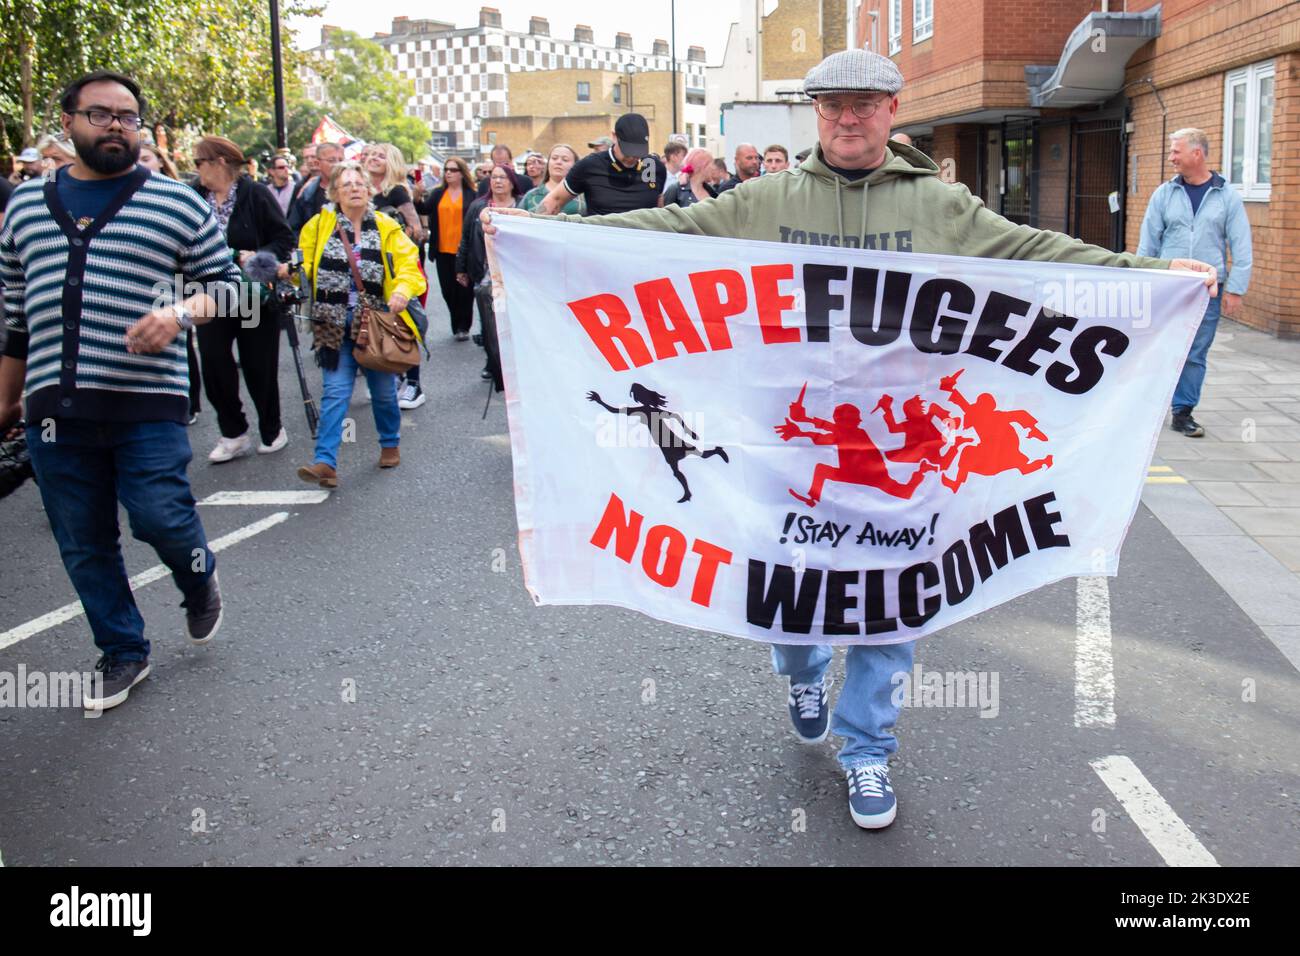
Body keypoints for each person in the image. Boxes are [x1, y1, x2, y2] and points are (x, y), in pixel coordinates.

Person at [485, 48, 1219, 832]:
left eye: (863, 103)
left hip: (900, 450)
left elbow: (1034, 254)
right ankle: (800, 671)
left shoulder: (941, 208)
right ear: (815, 112)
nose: (847, 116)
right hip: (788, 451)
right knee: (789, 595)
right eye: (832, 103)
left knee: (893, 602)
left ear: (892, 110)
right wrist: (541, 239)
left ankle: (868, 747)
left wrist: (1147, 274)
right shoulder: (763, 200)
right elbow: (667, 232)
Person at [0, 70, 241, 710]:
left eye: (128, 117)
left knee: (160, 517)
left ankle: (199, 581)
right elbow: (15, 314)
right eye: (100, 115)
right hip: (55, 411)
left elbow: (235, 288)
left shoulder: (176, 203)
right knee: (83, 541)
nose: (116, 126)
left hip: (146, 404)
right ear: (69, 122)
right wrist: (5, 401)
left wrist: (179, 314)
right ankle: (123, 649)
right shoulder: (26, 206)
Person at [295, 162, 425, 488]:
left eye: (359, 183)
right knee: (336, 392)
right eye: (346, 184)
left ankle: (390, 442)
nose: (353, 188)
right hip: (332, 323)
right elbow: (304, 266)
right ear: (335, 192)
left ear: (369, 190)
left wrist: (401, 291)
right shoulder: (317, 226)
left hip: (375, 323)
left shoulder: (385, 225)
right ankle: (326, 461)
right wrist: (290, 274)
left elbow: (410, 266)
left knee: (382, 394)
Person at [1138, 127, 1253, 439]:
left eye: (1176, 151)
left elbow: (1241, 246)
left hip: (1207, 289)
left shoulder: (1226, 196)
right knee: (1156, 346)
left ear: (1197, 154)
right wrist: (1141, 280)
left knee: (1194, 352)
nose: (1171, 157)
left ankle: (1183, 412)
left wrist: (1236, 289)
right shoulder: (1164, 194)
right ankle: (1146, 406)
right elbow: (1148, 243)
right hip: (1168, 286)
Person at [191, 135, 295, 462]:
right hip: (207, 293)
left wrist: (257, 257)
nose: (196, 170)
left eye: (199, 162)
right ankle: (233, 433)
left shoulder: (255, 194)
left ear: (220, 161)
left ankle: (271, 428)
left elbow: (283, 238)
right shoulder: (192, 196)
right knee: (214, 361)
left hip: (249, 292)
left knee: (257, 364)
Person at [138, 143, 202, 425]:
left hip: (179, 289)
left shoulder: (181, 199)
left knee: (178, 342)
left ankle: (186, 404)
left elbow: (225, 284)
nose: (140, 164)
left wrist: (182, 312)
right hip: (140, 294)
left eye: (146, 158)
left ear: (161, 162)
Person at [458, 164, 522, 390]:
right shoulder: (478, 206)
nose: (498, 181)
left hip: (516, 273)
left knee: (514, 320)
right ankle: (496, 368)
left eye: (503, 177)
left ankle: (518, 366)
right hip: (485, 273)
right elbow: (466, 237)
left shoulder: (521, 205)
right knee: (490, 323)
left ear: (512, 181)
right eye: (494, 177)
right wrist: (461, 268)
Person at [538, 113, 665, 216]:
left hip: (643, 244)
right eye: (628, 151)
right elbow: (555, 200)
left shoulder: (655, 167)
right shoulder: (590, 165)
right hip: (601, 243)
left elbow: (659, 211)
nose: (632, 157)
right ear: (615, 137)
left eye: (638, 152)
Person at [422, 156, 477, 342]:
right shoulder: (438, 194)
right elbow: (423, 209)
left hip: (464, 251)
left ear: (462, 173)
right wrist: (415, 195)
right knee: (448, 290)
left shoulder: (472, 194)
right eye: (446, 169)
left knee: (465, 291)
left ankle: (463, 326)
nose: (448, 173)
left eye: (453, 170)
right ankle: (456, 323)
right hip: (443, 250)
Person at [289, 141, 343, 232]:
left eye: (341, 160)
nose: (337, 164)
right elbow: (294, 227)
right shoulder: (307, 192)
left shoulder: (354, 190)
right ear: (318, 163)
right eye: (331, 160)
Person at [520, 144, 583, 215]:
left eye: (565, 160)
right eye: (554, 158)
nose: (558, 162)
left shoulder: (583, 197)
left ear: (575, 165)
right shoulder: (531, 196)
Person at [265, 152, 297, 216]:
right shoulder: (266, 190)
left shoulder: (296, 188)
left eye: (287, 167)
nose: (286, 169)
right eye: (281, 167)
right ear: (272, 171)